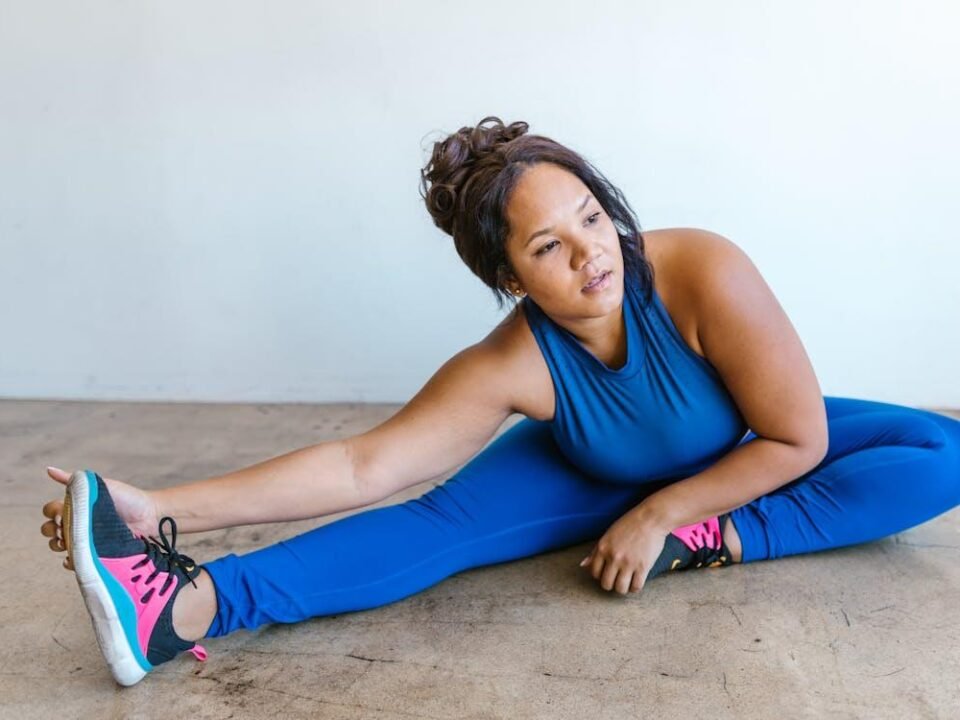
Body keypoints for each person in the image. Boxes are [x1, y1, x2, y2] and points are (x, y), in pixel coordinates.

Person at [40, 116, 960, 687]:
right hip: (588, 472)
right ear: (508, 276)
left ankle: (724, 537)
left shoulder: (701, 271)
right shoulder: (510, 362)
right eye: (548, 248)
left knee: (941, 453)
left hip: (736, 453)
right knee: (434, 525)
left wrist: (671, 518)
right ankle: (180, 612)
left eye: (593, 219)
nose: (592, 255)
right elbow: (365, 464)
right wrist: (161, 508)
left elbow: (795, 438)